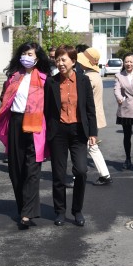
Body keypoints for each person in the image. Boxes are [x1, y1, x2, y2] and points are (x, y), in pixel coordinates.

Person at [0, 42, 50, 228]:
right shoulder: (14, 77)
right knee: (15, 170)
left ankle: (27, 213)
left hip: (35, 125)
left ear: (37, 58)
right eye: (24, 53)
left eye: (31, 54)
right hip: (15, 123)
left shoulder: (45, 79)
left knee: (32, 170)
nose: (27, 57)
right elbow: (5, 99)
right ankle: (23, 207)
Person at [45, 45, 97, 227]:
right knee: (59, 175)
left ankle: (77, 210)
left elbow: (90, 108)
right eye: (57, 59)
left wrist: (93, 132)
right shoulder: (51, 82)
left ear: (73, 61)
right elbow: (46, 110)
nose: (60, 63)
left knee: (81, 171)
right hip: (58, 132)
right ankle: (60, 211)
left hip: (78, 131)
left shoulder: (83, 81)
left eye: (63, 59)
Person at [78, 48, 112, 185]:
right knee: (89, 146)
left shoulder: (88, 78)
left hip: (88, 117)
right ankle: (103, 174)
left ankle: (103, 175)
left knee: (88, 146)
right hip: (94, 116)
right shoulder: (95, 75)